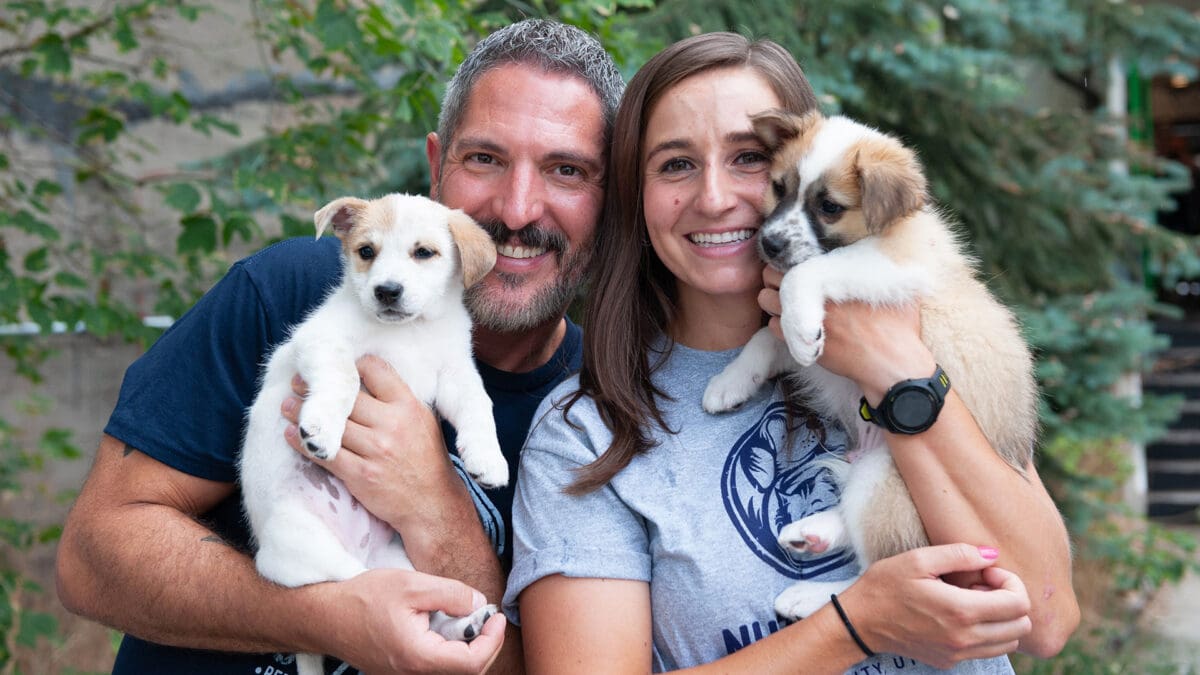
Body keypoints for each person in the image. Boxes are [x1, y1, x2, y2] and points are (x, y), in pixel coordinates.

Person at [54, 18, 623, 675]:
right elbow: (92, 556)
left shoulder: (602, 414)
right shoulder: (291, 293)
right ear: (437, 168)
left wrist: (436, 510)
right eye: (486, 159)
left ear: (611, 201)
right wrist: (328, 616)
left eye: (567, 170)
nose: (519, 208)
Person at [503, 32, 1080, 673]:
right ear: (633, 199)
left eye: (749, 158)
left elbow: (1046, 615)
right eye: (675, 164)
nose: (716, 197)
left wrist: (898, 373)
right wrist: (858, 624)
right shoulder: (586, 435)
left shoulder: (930, 343)